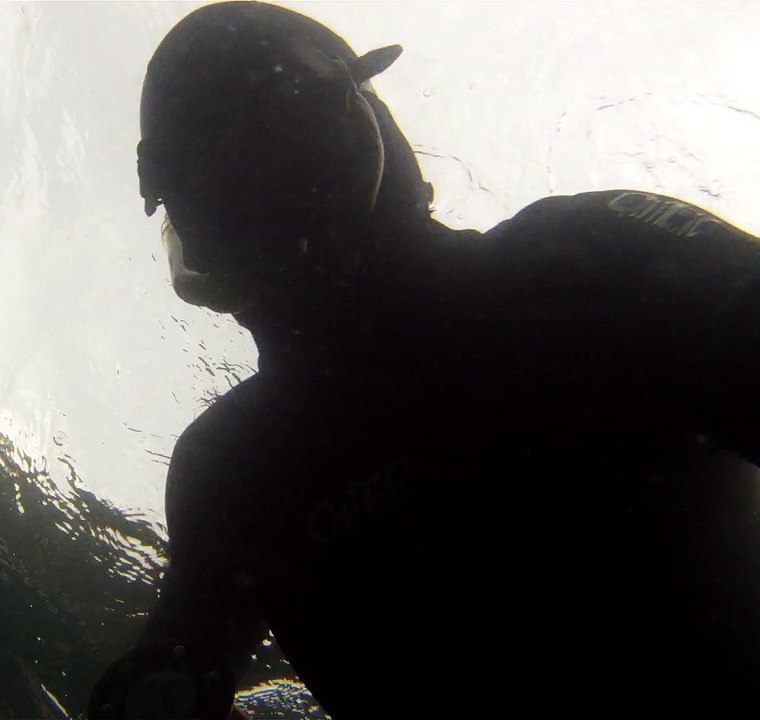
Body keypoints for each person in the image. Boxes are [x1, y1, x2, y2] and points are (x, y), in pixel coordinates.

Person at [87, 2, 760, 718]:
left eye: (289, 146)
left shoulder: (593, 263)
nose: (283, 212)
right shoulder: (229, 475)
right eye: (225, 188)